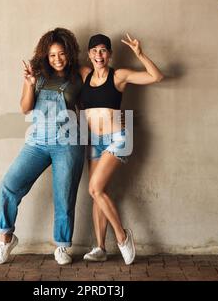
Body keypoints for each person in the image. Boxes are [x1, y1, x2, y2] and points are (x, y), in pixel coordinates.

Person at [0, 28, 85, 265]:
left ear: (70, 52)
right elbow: (25, 108)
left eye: (62, 54)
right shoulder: (37, 75)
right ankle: (6, 239)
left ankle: (62, 247)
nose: (57, 59)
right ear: (46, 55)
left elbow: (92, 104)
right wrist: (29, 82)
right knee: (9, 185)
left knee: (64, 197)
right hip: (37, 142)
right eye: (52, 55)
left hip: (68, 143)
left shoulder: (80, 76)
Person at [79, 33, 164, 264]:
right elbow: (59, 67)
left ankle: (123, 237)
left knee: (95, 189)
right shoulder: (84, 74)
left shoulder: (119, 75)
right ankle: (99, 247)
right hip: (93, 141)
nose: (99, 54)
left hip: (117, 139)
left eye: (103, 50)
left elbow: (156, 76)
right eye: (94, 50)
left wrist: (140, 54)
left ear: (110, 54)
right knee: (97, 193)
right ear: (88, 54)